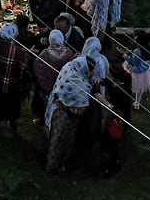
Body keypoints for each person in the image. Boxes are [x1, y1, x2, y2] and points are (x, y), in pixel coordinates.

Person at [45, 37, 108, 174]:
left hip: (55, 111)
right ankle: (58, 167)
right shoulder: (81, 87)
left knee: (54, 141)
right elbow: (80, 111)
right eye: (90, 71)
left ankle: (51, 165)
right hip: (66, 118)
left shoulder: (69, 68)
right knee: (63, 142)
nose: (91, 74)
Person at [0, 22, 32, 132]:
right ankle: (11, 122)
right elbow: (24, 70)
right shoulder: (18, 51)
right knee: (12, 105)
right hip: (11, 84)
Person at [32, 29, 76, 123]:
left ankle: (43, 120)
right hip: (63, 86)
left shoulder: (45, 53)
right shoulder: (69, 52)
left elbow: (37, 67)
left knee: (45, 104)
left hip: (47, 87)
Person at [123, 31, 150, 110]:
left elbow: (134, 62)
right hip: (145, 70)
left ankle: (127, 100)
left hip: (136, 70)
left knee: (131, 84)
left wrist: (125, 56)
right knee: (140, 88)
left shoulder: (137, 51)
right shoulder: (146, 48)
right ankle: (137, 103)